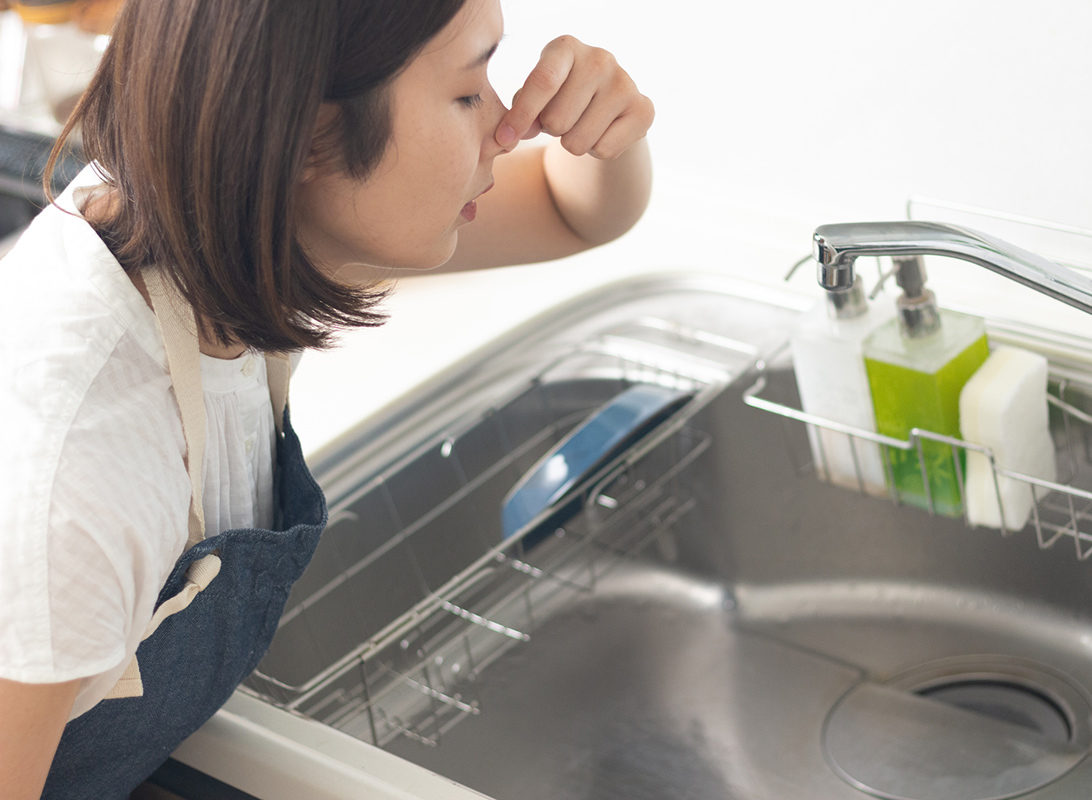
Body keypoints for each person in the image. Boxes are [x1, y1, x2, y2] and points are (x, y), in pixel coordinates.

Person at [0, 0, 654, 796]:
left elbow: (571, 210)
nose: (505, 128)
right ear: (310, 134)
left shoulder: (235, 223)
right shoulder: (76, 472)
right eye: (466, 92)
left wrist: (606, 130)